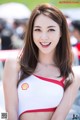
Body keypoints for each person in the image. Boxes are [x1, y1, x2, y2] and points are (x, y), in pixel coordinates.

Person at [3, 3, 80, 120]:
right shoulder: (14, 63)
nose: (44, 37)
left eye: (51, 30)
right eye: (38, 30)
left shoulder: (72, 75)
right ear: (31, 33)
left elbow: (59, 117)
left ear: (61, 33)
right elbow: (10, 111)